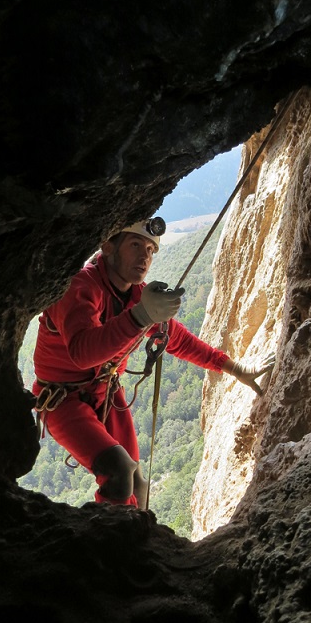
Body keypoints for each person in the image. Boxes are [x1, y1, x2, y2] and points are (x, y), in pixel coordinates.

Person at [32, 217, 274, 509]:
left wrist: (234, 369)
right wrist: (141, 316)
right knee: (118, 471)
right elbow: (82, 352)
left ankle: (137, 537)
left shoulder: (135, 295)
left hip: (105, 392)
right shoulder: (80, 288)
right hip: (62, 400)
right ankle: (111, 542)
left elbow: (178, 340)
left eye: (150, 249)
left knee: (138, 483)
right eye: (136, 245)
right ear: (108, 246)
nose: (145, 256)